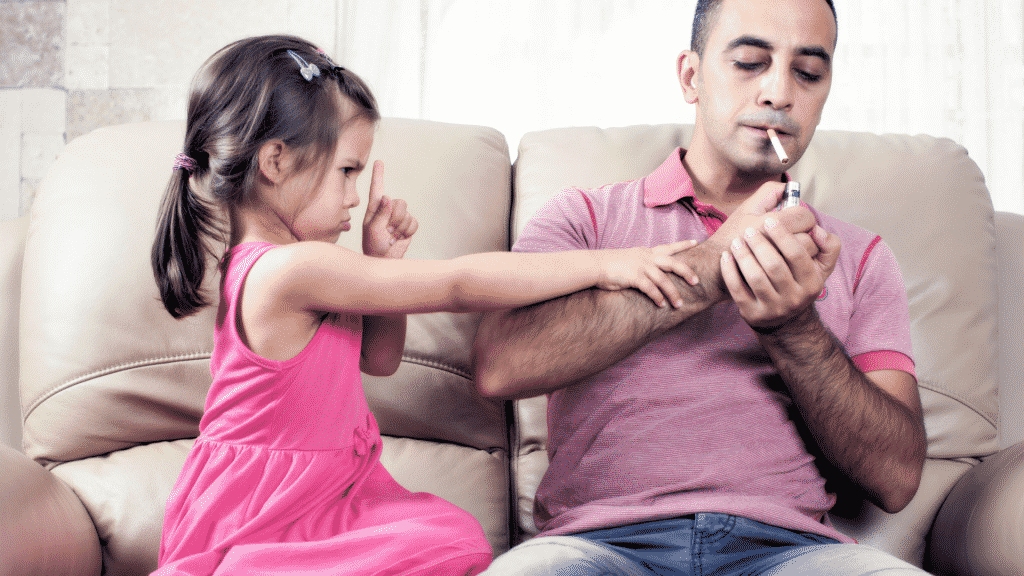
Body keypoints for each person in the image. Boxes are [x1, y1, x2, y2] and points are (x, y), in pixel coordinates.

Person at [150, 35, 702, 576]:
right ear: (275, 161)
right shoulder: (291, 270)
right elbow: (458, 284)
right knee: (437, 543)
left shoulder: (305, 266)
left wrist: (381, 260)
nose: (353, 195)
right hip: (268, 512)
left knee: (445, 534)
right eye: (347, 171)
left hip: (325, 498)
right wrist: (607, 263)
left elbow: (379, 359)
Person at [472, 0, 929, 574]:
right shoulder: (584, 218)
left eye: (808, 73)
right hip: (599, 547)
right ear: (691, 76)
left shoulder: (859, 256)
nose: (779, 93)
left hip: (788, 553)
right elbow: (499, 364)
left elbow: (897, 478)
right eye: (748, 63)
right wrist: (710, 266)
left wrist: (795, 329)